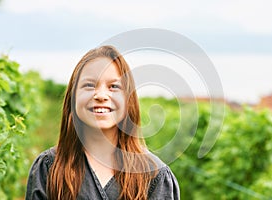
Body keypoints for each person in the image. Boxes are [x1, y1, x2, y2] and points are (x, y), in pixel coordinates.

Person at [26, 45, 180, 200]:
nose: (101, 95)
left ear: (128, 100)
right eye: (89, 85)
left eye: (113, 86)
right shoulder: (48, 167)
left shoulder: (155, 176)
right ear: (73, 98)